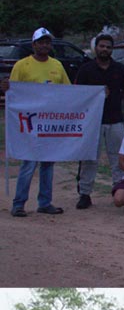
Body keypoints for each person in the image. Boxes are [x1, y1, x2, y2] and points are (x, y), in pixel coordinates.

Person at [5, 27, 69, 217]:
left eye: (47, 42)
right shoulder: (22, 65)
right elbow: (13, 91)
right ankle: (19, 203)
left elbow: (67, 91)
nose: (44, 45)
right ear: (34, 44)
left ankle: (45, 202)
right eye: (41, 42)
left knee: (48, 164)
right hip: (30, 124)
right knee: (29, 163)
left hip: (50, 124)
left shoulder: (57, 65)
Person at [73, 33, 124, 209]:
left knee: (118, 157)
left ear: (112, 49)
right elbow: (78, 93)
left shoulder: (119, 68)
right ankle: (85, 193)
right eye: (102, 46)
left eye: (108, 47)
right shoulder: (86, 69)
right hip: (93, 121)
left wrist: (114, 98)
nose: (105, 49)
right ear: (95, 48)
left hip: (115, 119)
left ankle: (118, 189)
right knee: (90, 157)